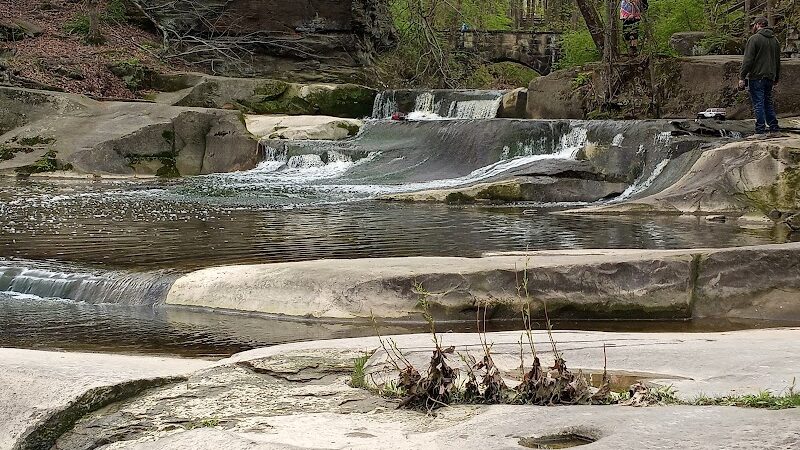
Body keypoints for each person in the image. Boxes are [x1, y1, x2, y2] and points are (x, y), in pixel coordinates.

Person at [739, 16, 782, 136]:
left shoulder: (754, 39)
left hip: (757, 77)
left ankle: (760, 131)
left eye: (753, 25)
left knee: (758, 103)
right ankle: (774, 129)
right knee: (768, 102)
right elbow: (777, 61)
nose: (752, 27)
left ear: (758, 25)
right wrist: (776, 77)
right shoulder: (775, 41)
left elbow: (748, 60)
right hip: (770, 77)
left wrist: (742, 77)